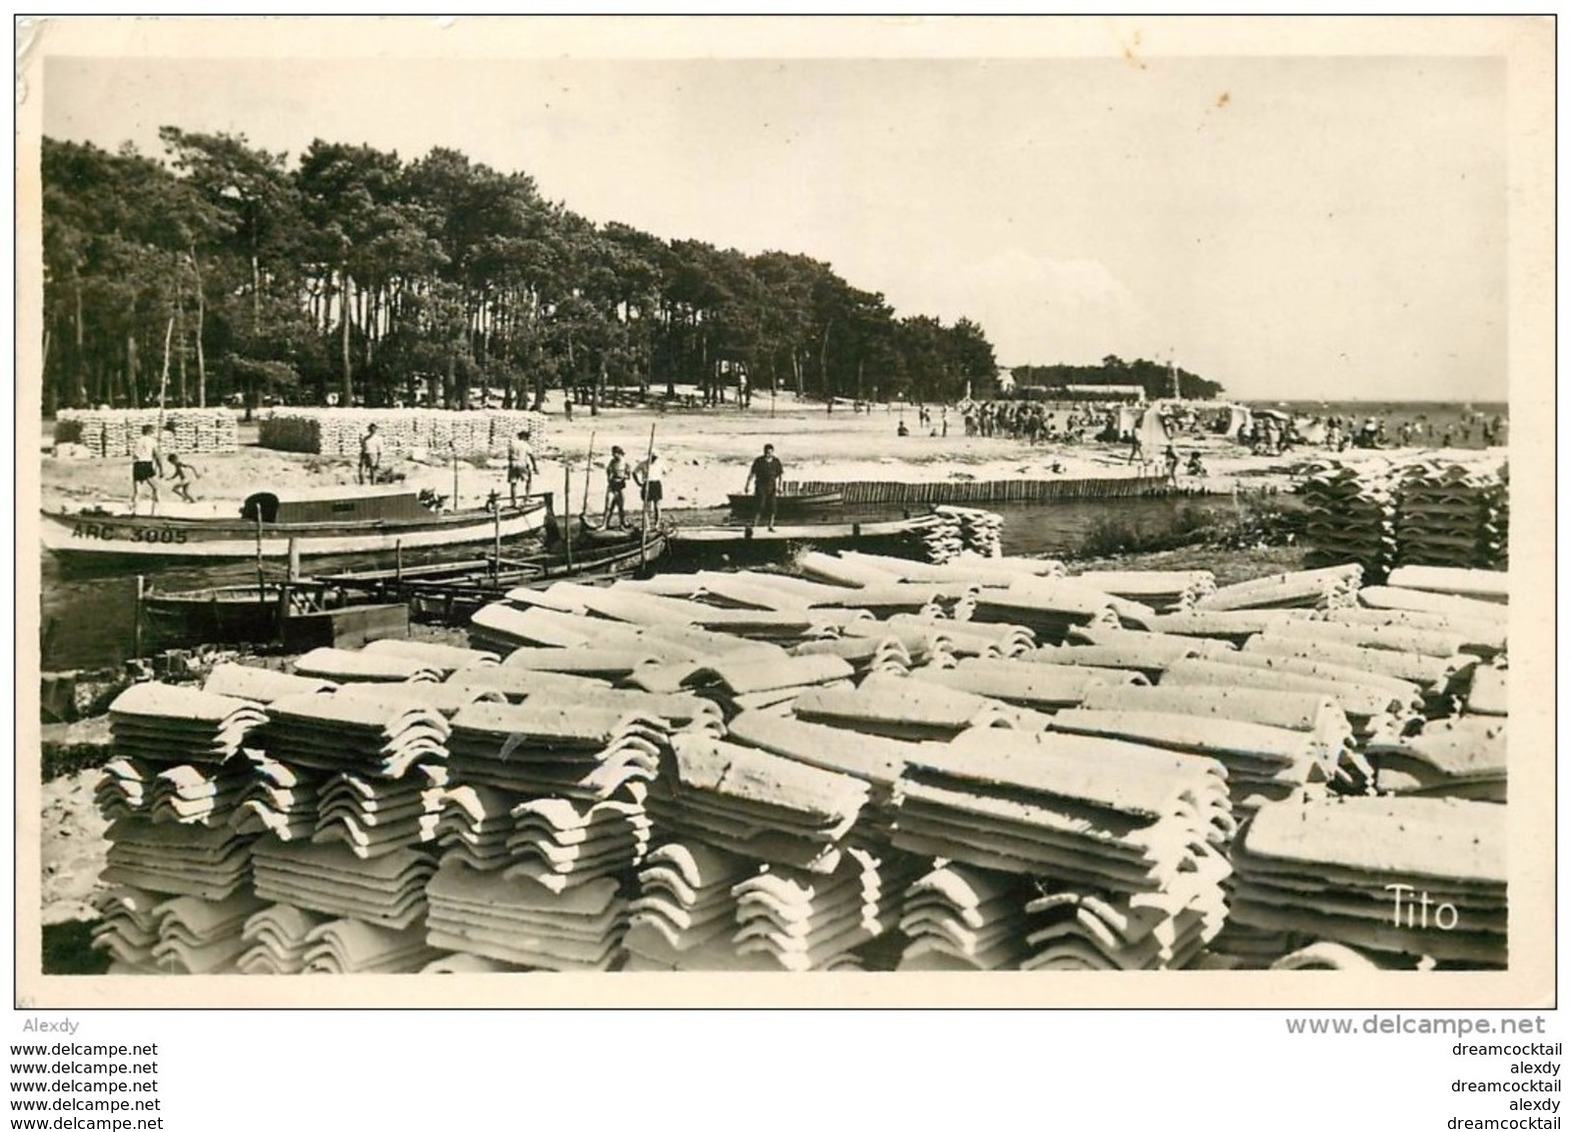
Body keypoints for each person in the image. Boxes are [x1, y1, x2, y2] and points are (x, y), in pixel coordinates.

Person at [745, 442, 784, 531]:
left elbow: (780, 475)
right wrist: (747, 485)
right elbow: (752, 473)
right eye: (766, 452)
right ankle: (754, 525)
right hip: (760, 486)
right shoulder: (759, 461)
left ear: (772, 452)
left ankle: (770, 526)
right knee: (760, 506)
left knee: (773, 507)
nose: (768, 454)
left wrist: (780, 486)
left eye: (770, 452)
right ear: (764, 452)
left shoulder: (776, 461)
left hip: (772, 486)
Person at [130, 424, 163, 515]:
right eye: (153, 431)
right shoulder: (151, 441)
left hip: (137, 465)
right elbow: (157, 456)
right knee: (156, 487)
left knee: (137, 490)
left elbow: (135, 454)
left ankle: (135, 510)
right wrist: (161, 469)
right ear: (150, 431)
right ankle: (158, 510)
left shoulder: (138, 441)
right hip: (146, 464)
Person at [634, 449, 666, 525]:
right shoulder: (643, 464)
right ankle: (646, 525)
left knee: (657, 506)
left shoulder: (660, 464)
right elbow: (634, 472)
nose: (655, 459)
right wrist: (638, 483)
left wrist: (659, 477)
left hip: (656, 484)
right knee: (646, 507)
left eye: (656, 457)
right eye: (653, 457)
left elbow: (665, 472)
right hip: (647, 484)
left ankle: (657, 524)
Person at [506, 428, 538, 506]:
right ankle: (527, 497)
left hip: (513, 463)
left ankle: (513, 501)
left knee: (513, 483)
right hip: (522, 463)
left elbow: (509, 455)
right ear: (525, 437)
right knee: (529, 480)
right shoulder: (525, 445)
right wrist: (535, 467)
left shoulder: (512, 444)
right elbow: (531, 456)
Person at [603, 446, 630, 529]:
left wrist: (623, 476)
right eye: (613, 454)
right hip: (612, 485)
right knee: (608, 506)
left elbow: (628, 476)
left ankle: (623, 523)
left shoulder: (625, 463)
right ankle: (604, 524)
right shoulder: (612, 462)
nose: (613, 455)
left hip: (621, 486)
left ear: (619, 453)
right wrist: (610, 476)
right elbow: (608, 471)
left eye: (615, 453)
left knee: (621, 506)